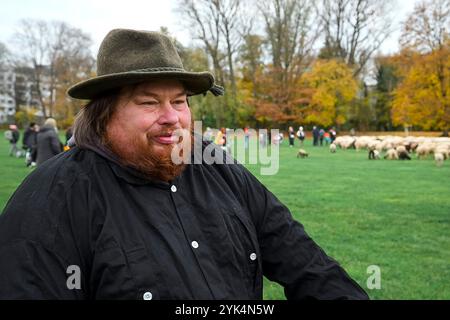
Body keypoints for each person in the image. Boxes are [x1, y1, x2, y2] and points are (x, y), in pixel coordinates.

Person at [0, 29, 368, 300]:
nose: (171, 117)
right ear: (105, 113)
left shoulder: (217, 167)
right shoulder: (54, 197)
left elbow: (305, 261)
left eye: (179, 101)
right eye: (148, 103)